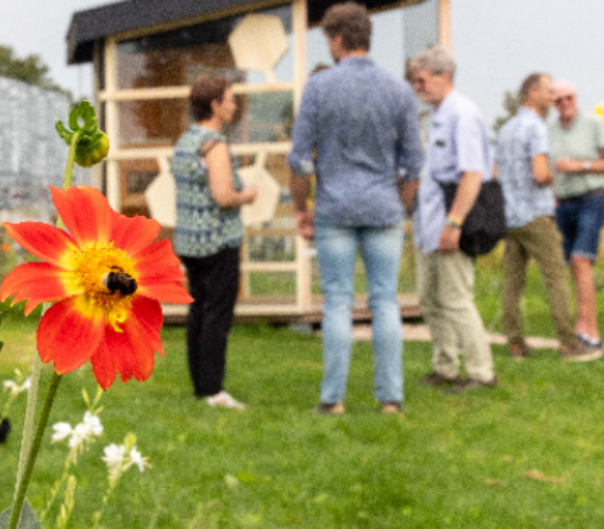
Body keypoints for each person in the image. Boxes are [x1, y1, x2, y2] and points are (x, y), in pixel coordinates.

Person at [288, 2, 424, 415]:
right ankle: (390, 398)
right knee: (385, 301)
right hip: (383, 206)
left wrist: (301, 208)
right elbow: (414, 164)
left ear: (337, 39)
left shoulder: (319, 87)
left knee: (337, 303)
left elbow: (299, 160)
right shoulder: (399, 91)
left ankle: (333, 399)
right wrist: (398, 205)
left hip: (335, 208)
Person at [407, 46, 496, 391]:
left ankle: (481, 371)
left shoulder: (463, 114)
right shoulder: (436, 117)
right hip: (428, 224)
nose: (418, 87)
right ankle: (445, 366)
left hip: (450, 224)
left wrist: (454, 222)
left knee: (457, 299)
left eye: (422, 80)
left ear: (444, 77)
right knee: (430, 299)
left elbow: (473, 174)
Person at [495, 73, 599, 362]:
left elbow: (495, 173)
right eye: (548, 91)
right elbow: (540, 173)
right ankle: (568, 343)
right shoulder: (537, 128)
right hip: (536, 214)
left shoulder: (505, 130)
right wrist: (557, 175)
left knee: (512, 282)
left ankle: (515, 343)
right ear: (531, 92)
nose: (552, 97)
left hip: (510, 214)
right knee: (555, 277)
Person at [171, 74, 258, 408]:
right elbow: (223, 196)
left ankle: (201, 384)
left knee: (198, 310)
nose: (234, 105)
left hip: (191, 242)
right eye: (230, 99)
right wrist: (246, 196)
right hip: (217, 241)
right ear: (215, 105)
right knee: (216, 316)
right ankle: (213, 390)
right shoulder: (215, 145)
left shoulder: (186, 142)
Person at [548, 80, 604, 351]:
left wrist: (580, 166)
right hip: (564, 201)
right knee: (573, 264)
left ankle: (588, 329)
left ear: (575, 98)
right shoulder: (550, 130)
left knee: (581, 259)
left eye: (568, 98)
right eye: (558, 100)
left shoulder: (594, 124)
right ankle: (585, 327)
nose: (564, 103)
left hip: (592, 196)